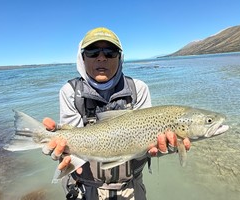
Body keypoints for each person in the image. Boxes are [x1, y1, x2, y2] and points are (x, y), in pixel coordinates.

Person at [42, 27, 191, 200]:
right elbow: (73, 143)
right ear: (82, 57)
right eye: (92, 51)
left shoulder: (138, 89)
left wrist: (160, 148)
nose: (101, 57)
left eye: (110, 52)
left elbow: (146, 143)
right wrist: (59, 147)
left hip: (131, 187)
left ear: (120, 58)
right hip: (84, 186)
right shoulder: (70, 92)